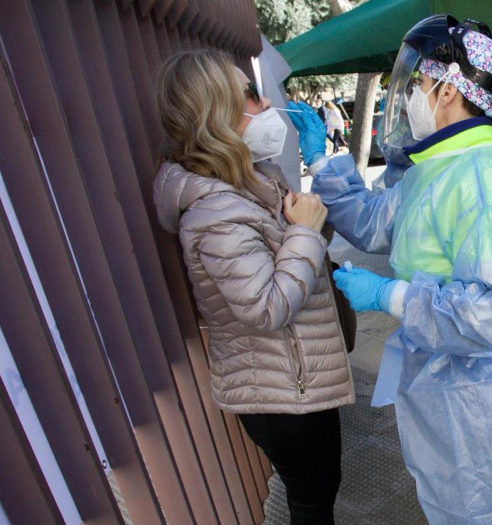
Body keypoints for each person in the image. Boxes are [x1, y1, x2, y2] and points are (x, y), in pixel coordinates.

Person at [308, 15, 492, 523]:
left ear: (448, 92)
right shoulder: (441, 170)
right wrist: (326, 166)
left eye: (420, 83)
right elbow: (375, 223)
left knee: (487, 510)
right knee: (462, 505)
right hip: (454, 381)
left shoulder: (482, 179)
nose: (414, 94)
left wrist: (387, 296)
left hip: (483, 396)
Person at [152, 49, 354, 524]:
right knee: (311, 501)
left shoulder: (253, 178)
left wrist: (308, 222)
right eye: (250, 95)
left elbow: (296, 249)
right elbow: (266, 307)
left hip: (296, 379)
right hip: (281, 391)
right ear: (216, 112)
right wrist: (303, 231)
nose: (266, 105)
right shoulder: (213, 212)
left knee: (320, 490)